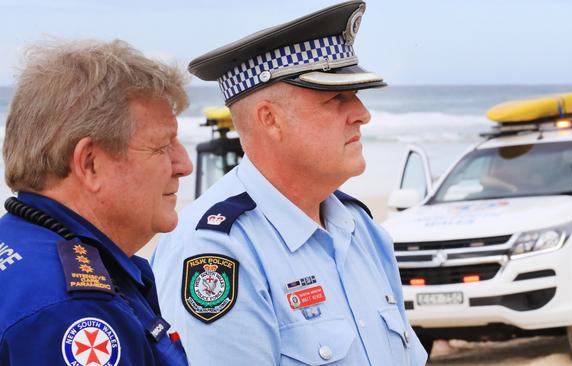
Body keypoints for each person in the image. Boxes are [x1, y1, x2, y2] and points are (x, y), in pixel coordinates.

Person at [151, 1, 428, 365]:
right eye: (337, 98)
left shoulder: (362, 229)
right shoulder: (215, 252)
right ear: (271, 119)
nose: (362, 114)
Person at [0, 39, 193, 365]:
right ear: (89, 164)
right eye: (161, 147)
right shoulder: (71, 311)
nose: (184, 165)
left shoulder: (20, 241)